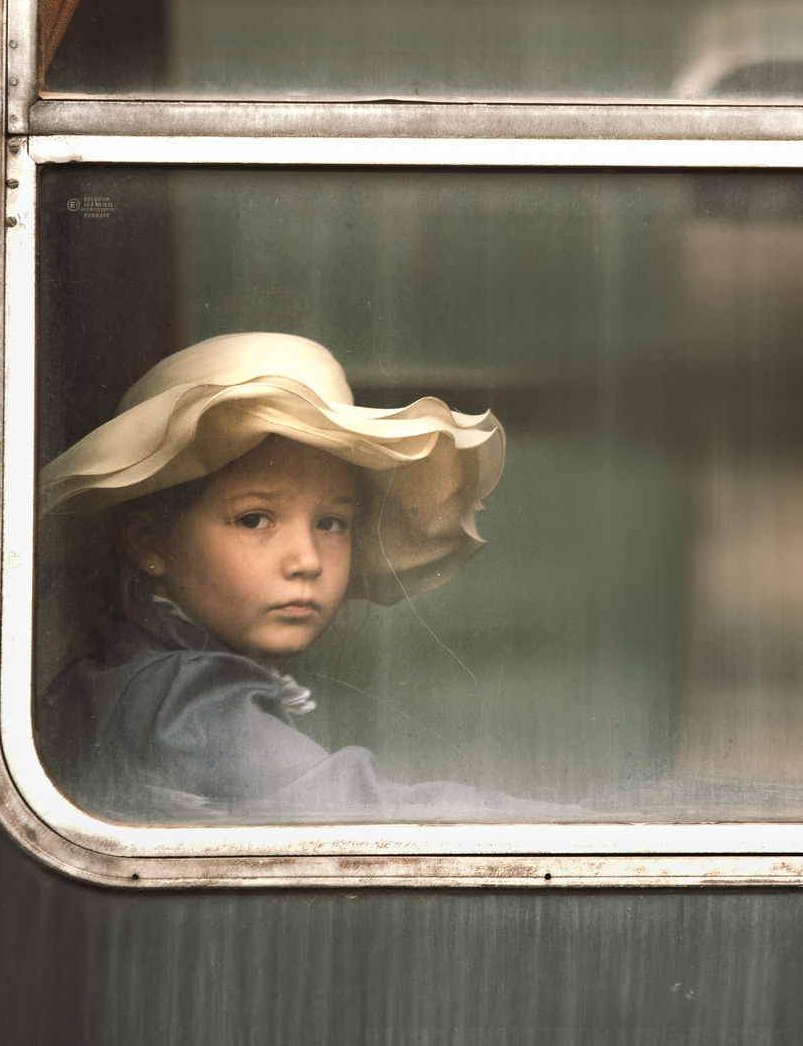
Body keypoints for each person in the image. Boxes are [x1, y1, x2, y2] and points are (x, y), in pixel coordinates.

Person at [34, 331, 584, 823]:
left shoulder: (131, 674)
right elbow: (354, 813)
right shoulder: (179, 697)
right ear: (149, 543)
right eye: (254, 519)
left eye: (332, 523)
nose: (308, 560)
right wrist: (590, 824)